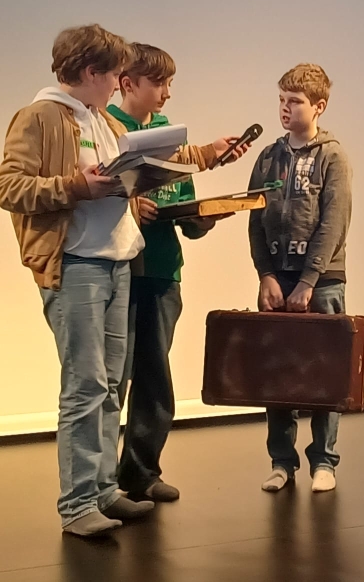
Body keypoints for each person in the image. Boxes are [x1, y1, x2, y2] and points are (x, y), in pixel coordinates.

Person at [0, 25, 242, 537]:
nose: (118, 84)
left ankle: (104, 490)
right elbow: (9, 185)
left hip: (117, 261)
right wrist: (75, 186)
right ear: (91, 72)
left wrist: (207, 153)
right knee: (85, 385)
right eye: (113, 74)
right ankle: (76, 505)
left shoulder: (101, 119)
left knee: (111, 384)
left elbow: (151, 159)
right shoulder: (39, 116)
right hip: (77, 264)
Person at [109, 43, 236, 503]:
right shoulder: (107, 128)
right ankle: (101, 482)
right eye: (159, 82)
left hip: (163, 270)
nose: (167, 92)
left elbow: (183, 210)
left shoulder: (170, 137)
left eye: (169, 83)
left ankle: (141, 472)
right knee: (113, 378)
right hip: (120, 270)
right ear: (128, 84)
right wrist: (128, 205)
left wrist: (202, 217)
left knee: (154, 375)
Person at [248, 63, 353, 492]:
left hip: (322, 282)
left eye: (294, 101)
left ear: (318, 106)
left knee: (324, 374)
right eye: (281, 100)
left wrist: (309, 280)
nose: (285, 108)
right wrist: (266, 274)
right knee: (278, 373)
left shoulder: (333, 156)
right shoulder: (267, 157)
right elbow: (253, 218)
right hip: (278, 279)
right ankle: (281, 461)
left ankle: (324, 462)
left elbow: (334, 222)